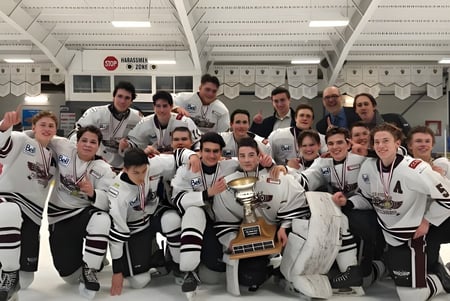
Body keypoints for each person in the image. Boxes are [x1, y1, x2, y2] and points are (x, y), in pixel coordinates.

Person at [345, 123, 450, 300]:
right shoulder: (369, 167)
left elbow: (447, 197)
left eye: (386, 140)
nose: (380, 146)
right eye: (377, 142)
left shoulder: (416, 168)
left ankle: (442, 278)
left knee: (412, 297)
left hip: (413, 236)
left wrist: (427, 221)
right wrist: (346, 204)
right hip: (389, 235)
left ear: (397, 143)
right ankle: (386, 263)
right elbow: (367, 199)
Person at [213, 137, 310, 291]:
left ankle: (292, 274)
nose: (246, 160)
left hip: (277, 230)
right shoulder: (228, 184)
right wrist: (232, 240)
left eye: (251, 155)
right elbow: (224, 218)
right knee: (250, 278)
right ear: (237, 158)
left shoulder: (276, 175)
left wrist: (285, 227)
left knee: (301, 231)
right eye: (242, 156)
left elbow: (295, 200)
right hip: (249, 237)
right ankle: (270, 267)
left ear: (259, 156)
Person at [108, 147, 200, 296]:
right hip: (134, 228)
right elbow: (117, 234)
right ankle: (152, 253)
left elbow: (178, 156)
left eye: (144, 171)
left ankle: (180, 267)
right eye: (135, 173)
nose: (141, 176)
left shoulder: (153, 164)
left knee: (172, 220)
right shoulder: (118, 192)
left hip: (153, 213)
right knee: (140, 282)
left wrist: (193, 157)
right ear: (124, 170)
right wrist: (116, 271)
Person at [297, 127, 381, 290]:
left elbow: (393, 154)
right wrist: (284, 172)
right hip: (341, 206)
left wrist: (367, 151)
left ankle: (358, 269)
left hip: (365, 209)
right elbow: (307, 177)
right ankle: (336, 266)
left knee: (348, 220)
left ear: (348, 144)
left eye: (340, 142)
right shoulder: (323, 161)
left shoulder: (362, 160)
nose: (335, 147)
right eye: (331, 143)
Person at [46, 126, 116, 298]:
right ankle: (94, 259)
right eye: (84, 140)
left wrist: (93, 193)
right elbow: (42, 133)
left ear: (98, 146)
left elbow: (109, 201)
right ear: (76, 142)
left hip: (85, 213)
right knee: (70, 277)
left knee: (102, 219)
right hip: (60, 215)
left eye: (93, 142)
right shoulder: (63, 147)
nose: (87, 145)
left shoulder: (103, 168)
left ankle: (91, 266)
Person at [0, 109, 58, 300]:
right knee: (7, 212)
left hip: (33, 211)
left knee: (26, 281)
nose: (47, 128)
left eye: (51, 126)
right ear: (33, 127)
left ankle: (14, 274)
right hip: (8, 197)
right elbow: (3, 152)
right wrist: (4, 127)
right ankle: (8, 272)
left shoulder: (55, 158)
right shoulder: (21, 140)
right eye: (42, 124)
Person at [69, 81, 142, 170]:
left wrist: (129, 145)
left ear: (131, 101)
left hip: (122, 167)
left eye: (127, 98)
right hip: (95, 164)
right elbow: (76, 135)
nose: (122, 101)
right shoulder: (95, 113)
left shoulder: (138, 118)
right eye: (119, 96)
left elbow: (142, 143)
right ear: (113, 97)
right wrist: (77, 157)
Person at [122, 91, 201, 156]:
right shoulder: (145, 122)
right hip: (155, 159)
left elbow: (197, 142)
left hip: (179, 159)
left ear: (171, 106)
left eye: (165, 106)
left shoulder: (184, 122)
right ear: (154, 107)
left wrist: (197, 154)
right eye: (158, 106)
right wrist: (126, 145)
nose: (161, 110)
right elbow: (134, 142)